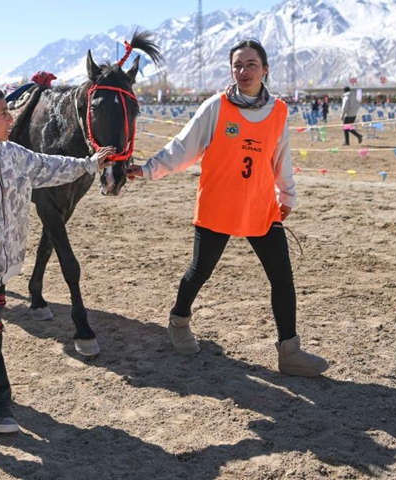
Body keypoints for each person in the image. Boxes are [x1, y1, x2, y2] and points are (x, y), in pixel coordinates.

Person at [126, 39, 328, 377]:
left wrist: (287, 196)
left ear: (265, 69)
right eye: (237, 65)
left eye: (251, 64)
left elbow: (281, 157)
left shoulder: (278, 110)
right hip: (218, 205)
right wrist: (148, 168)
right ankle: (178, 321)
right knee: (200, 271)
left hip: (260, 206)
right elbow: (183, 146)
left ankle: (289, 351)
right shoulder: (216, 107)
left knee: (282, 276)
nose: (243, 71)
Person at [0, 88, 115, 433]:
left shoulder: (14, 154)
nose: (11, 118)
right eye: (3, 113)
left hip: (3, 259)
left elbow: (50, 166)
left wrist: (89, 164)